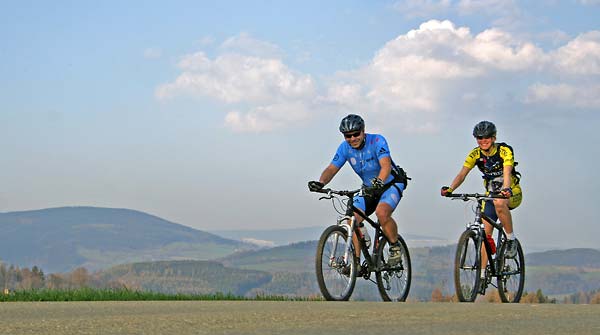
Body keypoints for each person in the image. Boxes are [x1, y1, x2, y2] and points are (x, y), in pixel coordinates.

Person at [308, 114, 406, 267]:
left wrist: (379, 181)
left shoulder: (377, 140)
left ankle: (394, 245)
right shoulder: (344, 148)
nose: (353, 138)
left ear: (363, 130)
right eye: (348, 136)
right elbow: (332, 168)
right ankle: (356, 263)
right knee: (351, 220)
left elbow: (385, 165)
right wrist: (321, 183)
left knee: (381, 213)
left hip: (390, 183)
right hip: (369, 188)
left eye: (356, 134)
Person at [440, 121, 522, 291]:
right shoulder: (475, 154)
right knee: (486, 235)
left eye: (486, 137)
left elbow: (507, 172)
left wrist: (506, 189)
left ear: (493, 138)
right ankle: (483, 275)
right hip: (491, 194)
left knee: (499, 203)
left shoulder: (504, 150)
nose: (483, 140)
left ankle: (511, 239)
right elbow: (462, 173)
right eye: (479, 138)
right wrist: (450, 188)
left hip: (511, 192)